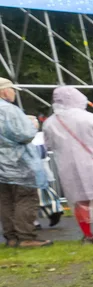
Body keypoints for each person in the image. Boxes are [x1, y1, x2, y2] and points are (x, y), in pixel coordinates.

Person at [43, 87, 93, 243]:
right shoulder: (90, 118)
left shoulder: (50, 123)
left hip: (67, 168)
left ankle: (87, 235)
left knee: (79, 202)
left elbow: (48, 145)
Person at [0, 77, 52, 248]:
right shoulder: (9, 109)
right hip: (18, 163)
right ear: (4, 91)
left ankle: (11, 237)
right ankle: (26, 237)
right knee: (25, 198)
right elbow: (24, 135)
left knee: (5, 201)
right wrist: (32, 125)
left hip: (2, 166)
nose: (14, 93)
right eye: (12, 90)